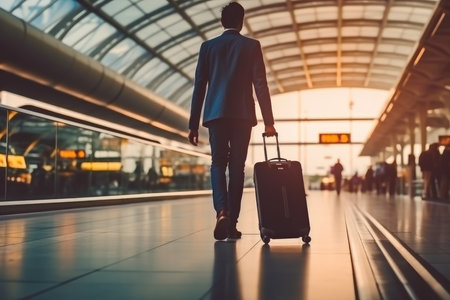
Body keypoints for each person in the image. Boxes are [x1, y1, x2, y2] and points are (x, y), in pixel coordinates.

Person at [188, 2, 277, 240]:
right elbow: (260, 84)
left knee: (218, 164)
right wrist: (269, 121)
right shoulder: (251, 46)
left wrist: (192, 124)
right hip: (242, 115)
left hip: (216, 115)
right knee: (237, 168)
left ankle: (222, 213)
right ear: (241, 21)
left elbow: (199, 86)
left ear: (222, 22)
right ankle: (232, 223)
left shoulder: (208, 47)